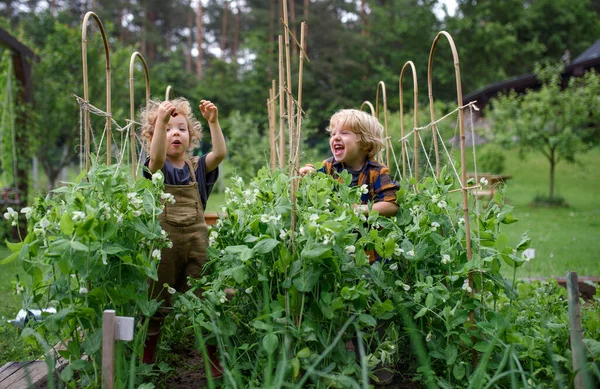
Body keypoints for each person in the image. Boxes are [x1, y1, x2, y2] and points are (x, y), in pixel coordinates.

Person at [300, 109, 399, 385]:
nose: (336, 138)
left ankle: (379, 364)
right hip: (338, 253)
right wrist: (308, 174)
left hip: (372, 255)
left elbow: (390, 204)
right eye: (333, 134)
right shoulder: (330, 169)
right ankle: (343, 364)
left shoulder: (378, 171)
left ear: (365, 142)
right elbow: (314, 180)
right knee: (341, 306)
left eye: (344, 133)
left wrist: (362, 209)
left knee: (374, 309)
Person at [139, 97, 226, 377]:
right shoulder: (157, 168)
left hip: (198, 245)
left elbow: (220, 154)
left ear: (191, 138)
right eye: (168, 129)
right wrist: (160, 123)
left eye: (182, 128)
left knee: (208, 297)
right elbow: (156, 160)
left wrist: (214, 122)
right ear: (154, 138)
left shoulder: (198, 167)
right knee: (156, 301)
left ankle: (213, 360)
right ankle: (147, 359)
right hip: (164, 247)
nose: (175, 133)